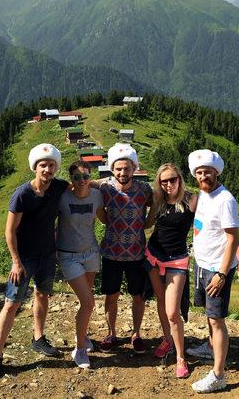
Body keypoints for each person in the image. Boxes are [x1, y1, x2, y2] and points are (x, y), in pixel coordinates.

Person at [0, 143, 69, 380]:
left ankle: (38, 338)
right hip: (24, 258)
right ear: (35, 167)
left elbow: (80, 185)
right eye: (43, 165)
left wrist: (102, 184)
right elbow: (9, 231)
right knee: (11, 303)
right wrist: (15, 262)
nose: (47, 169)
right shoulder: (22, 194)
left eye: (52, 165)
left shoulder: (58, 187)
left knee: (42, 295)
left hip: (48, 254)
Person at [186, 149, 239, 394]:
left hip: (217, 269)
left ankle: (219, 375)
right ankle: (210, 348)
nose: (203, 176)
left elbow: (232, 240)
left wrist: (222, 273)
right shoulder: (203, 194)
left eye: (207, 171)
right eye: (199, 172)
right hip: (202, 264)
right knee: (209, 315)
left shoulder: (225, 200)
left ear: (216, 172)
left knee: (217, 320)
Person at [96, 143, 152, 354]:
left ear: (134, 168)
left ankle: (136, 334)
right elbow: (89, 186)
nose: (122, 172)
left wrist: (149, 222)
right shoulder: (105, 187)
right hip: (111, 253)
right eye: (118, 168)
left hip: (136, 254)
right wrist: (104, 220)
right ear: (112, 169)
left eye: (127, 168)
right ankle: (111, 333)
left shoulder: (144, 190)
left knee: (138, 296)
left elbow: (158, 201)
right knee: (111, 296)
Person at [144, 163, 197, 378]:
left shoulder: (192, 200)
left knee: (172, 312)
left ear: (180, 179)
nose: (168, 184)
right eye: (163, 181)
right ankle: (167, 340)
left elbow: (207, 220)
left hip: (177, 261)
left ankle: (180, 357)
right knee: (160, 301)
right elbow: (147, 224)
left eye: (172, 179)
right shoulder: (158, 201)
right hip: (154, 256)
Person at [56, 161, 107, 368]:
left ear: (90, 176)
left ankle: (83, 336)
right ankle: (79, 348)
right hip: (69, 256)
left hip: (91, 253)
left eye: (85, 176)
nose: (82, 180)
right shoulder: (62, 196)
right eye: (77, 177)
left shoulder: (97, 195)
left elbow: (104, 219)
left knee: (87, 300)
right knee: (88, 303)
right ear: (71, 179)